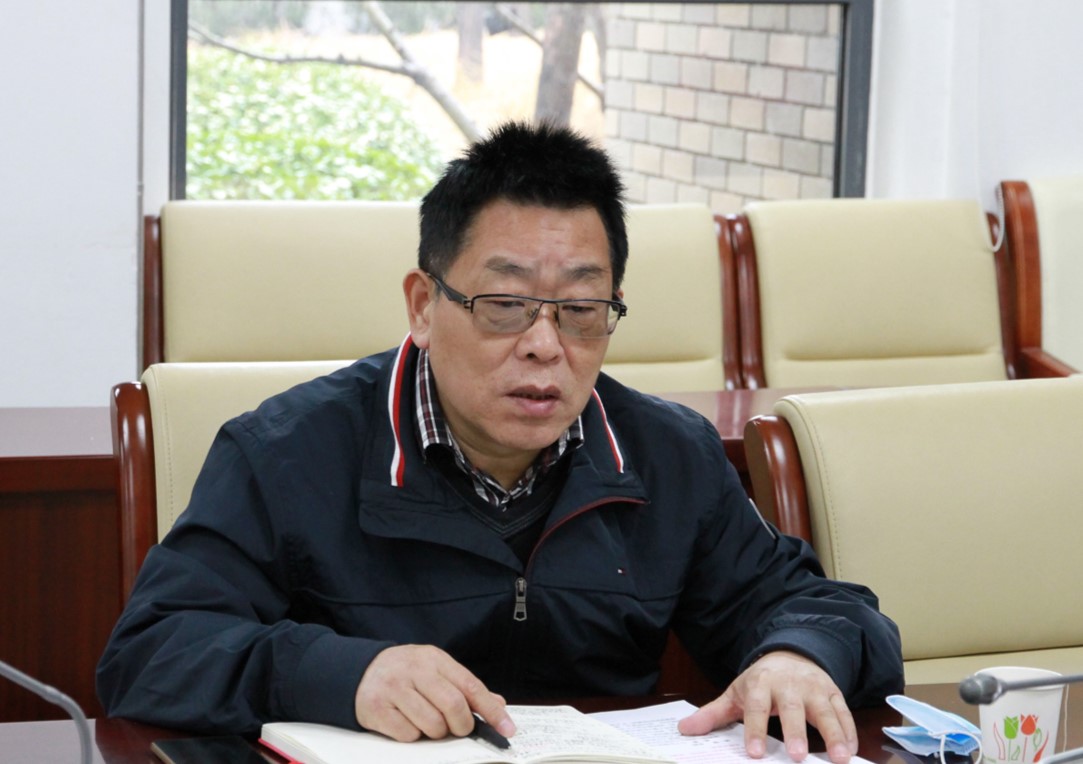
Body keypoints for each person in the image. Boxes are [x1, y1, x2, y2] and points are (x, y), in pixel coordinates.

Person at [97, 121, 903, 762]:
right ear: (423, 305)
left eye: (581, 311)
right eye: (505, 305)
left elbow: (827, 611)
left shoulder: (667, 454)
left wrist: (799, 655)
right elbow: (151, 652)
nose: (545, 346)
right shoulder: (286, 451)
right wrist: (346, 672)